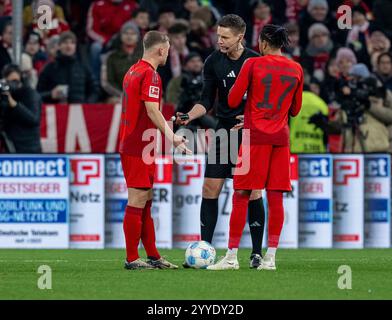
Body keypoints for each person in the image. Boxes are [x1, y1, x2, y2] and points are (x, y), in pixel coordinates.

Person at [207, 24, 303, 271]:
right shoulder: (296, 68)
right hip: (281, 139)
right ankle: (270, 258)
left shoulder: (253, 64)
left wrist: (253, 100)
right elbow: (295, 110)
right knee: (276, 197)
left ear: (262, 43)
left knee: (241, 194)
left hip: (255, 138)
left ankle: (231, 257)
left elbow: (232, 99)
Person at [175, 14, 266, 269]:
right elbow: (206, 101)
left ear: (240, 36)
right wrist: (187, 116)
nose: (220, 41)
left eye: (225, 37)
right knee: (209, 188)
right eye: (218, 35)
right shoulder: (213, 61)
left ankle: (256, 254)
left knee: (251, 191)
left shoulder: (256, 62)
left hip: (250, 133)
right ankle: (206, 247)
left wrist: (252, 120)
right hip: (224, 131)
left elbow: (265, 102)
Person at [119, 30, 191, 270]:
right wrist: (173, 137)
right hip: (138, 146)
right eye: (168, 49)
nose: (168, 53)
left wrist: (168, 122)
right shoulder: (151, 75)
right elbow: (151, 110)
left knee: (146, 200)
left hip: (138, 144)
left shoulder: (133, 71)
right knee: (138, 199)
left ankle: (153, 256)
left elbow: (145, 112)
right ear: (161, 49)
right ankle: (131, 258)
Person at [37, 31, 100, 104]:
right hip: (56, 112)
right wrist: (51, 94)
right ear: (59, 46)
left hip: (79, 112)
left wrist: (87, 105)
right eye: (65, 43)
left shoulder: (83, 67)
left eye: (72, 43)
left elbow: (95, 90)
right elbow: (38, 95)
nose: (69, 46)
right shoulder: (49, 68)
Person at [0, 64, 42, 153]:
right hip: (10, 147)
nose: (12, 85)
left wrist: (14, 104)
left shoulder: (31, 94)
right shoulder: (4, 95)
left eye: (15, 81)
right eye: (9, 82)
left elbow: (34, 119)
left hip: (29, 148)